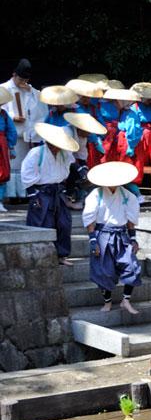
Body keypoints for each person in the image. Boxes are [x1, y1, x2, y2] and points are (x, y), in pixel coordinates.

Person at [83, 162, 142, 314]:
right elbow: (90, 219)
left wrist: (133, 239)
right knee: (104, 271)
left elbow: (130, 221)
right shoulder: (96, 194)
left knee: (132, 266)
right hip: (102, 234)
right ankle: (107, 302)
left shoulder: (128, 196)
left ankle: (126, 300)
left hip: (122, 235)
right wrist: (93, 240)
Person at [21, 123, 77, 265]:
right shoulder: (36, 153)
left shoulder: (64, 154)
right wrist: (32, 195)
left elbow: (65, 173)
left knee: (64, 223)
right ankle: (43, 257)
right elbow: (27, 173)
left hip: (57, 192)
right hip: (41, 193)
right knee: (43, 223)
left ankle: (61, 255)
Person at [1, 59, 47, 202]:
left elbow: (40, 109)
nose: (22, 82)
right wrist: (12, 117)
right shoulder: (3, 88)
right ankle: (9, 196)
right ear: (14, 75)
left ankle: (24, 194)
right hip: (10, 134)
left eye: (25, 79)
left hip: (27, 134)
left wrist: (29, 91)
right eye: (20, 78)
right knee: (9, 165)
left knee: (25, 164)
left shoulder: (30, 90)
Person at [63, 112, 106, 210]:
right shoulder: (67, 132)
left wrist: (85, 169)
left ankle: (77, 198)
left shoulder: (83, 137)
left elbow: (81, 154)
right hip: (57, 159)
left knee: (83, 175)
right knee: (73, 173)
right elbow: (67, 155)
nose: (90, 133)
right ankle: (66, 197)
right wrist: (79, 169)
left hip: (67, 160)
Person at [66, 79, 106, 168]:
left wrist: (99, 137)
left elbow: (101, 123)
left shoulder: (93, 108)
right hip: (74, 137)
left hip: (92, 140)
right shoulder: (72, 107)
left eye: (88, 97)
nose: (86, 99)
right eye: (83, 97)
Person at [0, 87, 17, 212]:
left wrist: (11, 147)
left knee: (3, 173)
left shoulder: (4, 115)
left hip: (2, 145)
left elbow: (12, 131)